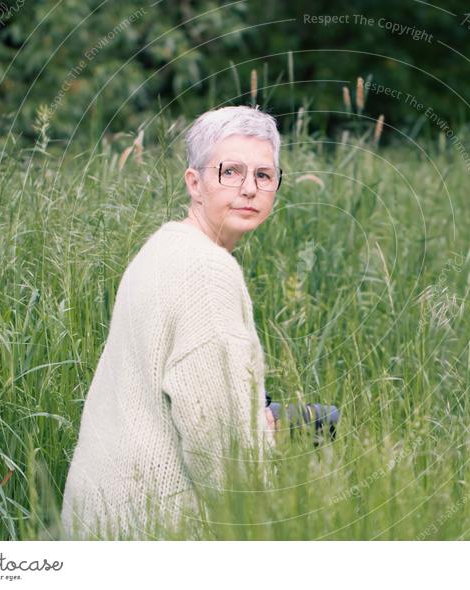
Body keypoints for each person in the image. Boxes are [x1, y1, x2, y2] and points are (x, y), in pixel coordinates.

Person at [60, 105, 283, 540]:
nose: (249, 189)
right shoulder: (207, 272)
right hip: (153, 532)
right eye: (230, 172)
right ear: (194, 183)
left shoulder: (164, 247)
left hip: (98, 516)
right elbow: (220, 449)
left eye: (263, 175)